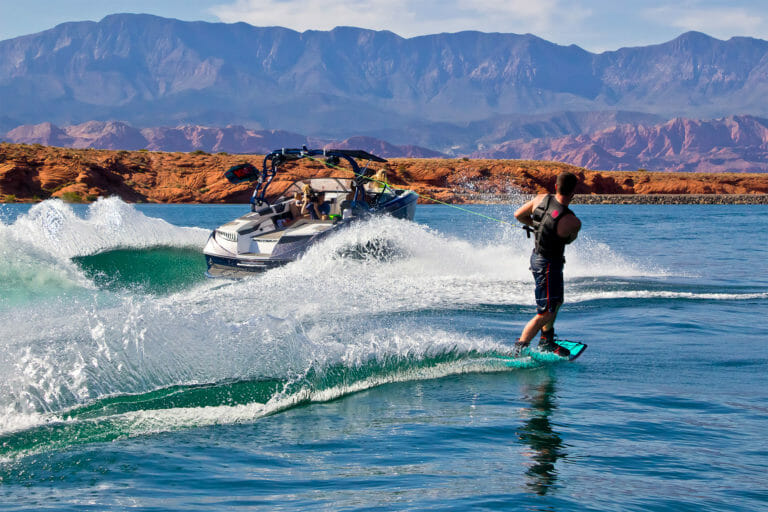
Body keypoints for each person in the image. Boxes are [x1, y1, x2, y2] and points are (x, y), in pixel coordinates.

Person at [512, 171, 581, 357]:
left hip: (537, 259)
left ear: (556, 187)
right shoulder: (573, 221)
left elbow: (518, 214)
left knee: (556, 302)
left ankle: (547, 340)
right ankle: (520, 349)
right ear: (574, 192)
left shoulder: (540, 199)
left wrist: (536, 226)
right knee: (546, 313)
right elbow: (568, 240)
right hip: (549, 266)